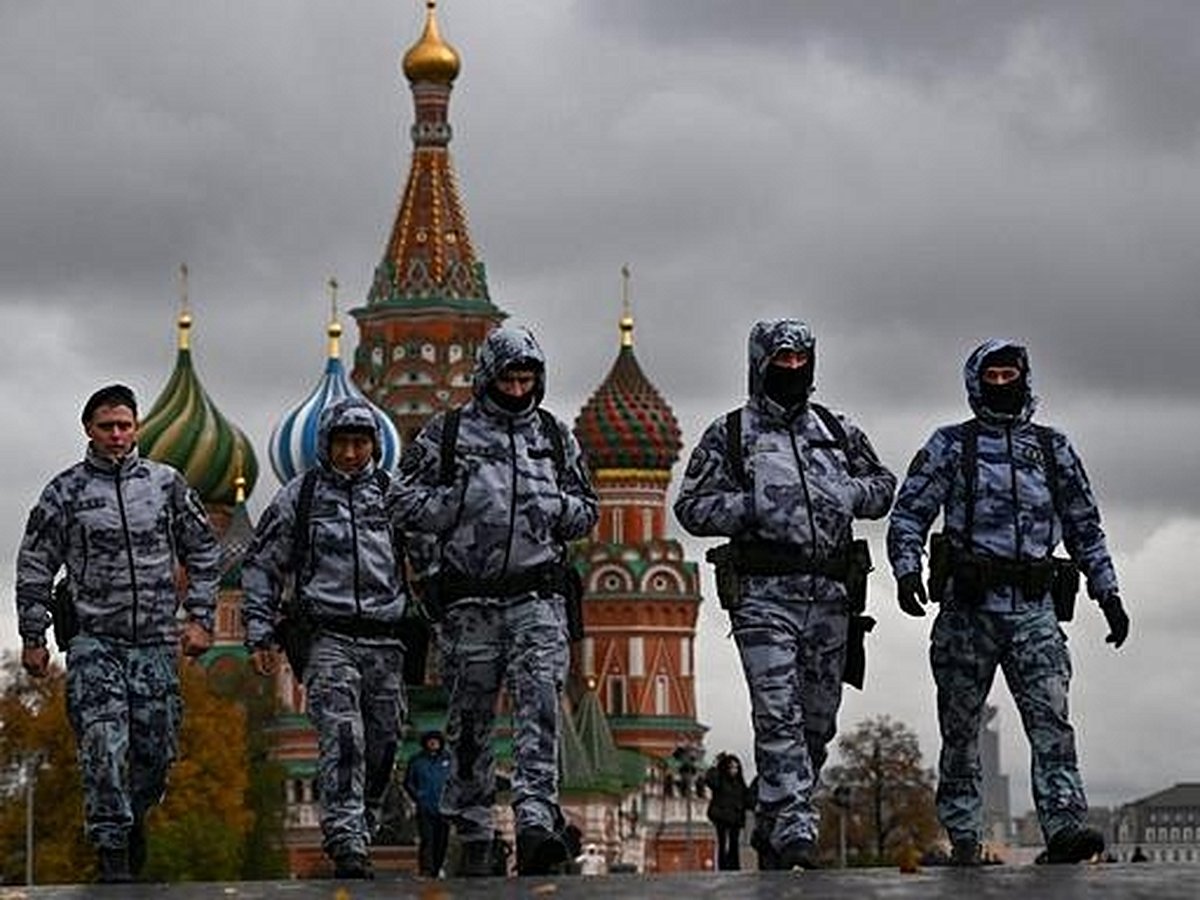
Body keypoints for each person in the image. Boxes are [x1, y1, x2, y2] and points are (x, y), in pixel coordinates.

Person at [887, 338, 1128, 867]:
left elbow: (1085, 527)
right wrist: (906, 571)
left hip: (1034, 610)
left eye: (1009, 375)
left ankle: (1064, 827)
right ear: (976, 383)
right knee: (960, 729)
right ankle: (965, 837)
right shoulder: (951, 445)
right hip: (968, 610)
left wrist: (1108, 591)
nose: (1001, 384)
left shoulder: (1053, 448)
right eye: (991, 376)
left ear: (1024, 377)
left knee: (1052, 722)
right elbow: (909, 514)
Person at [674, 319, 896, 870]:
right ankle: (797, 827)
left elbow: (883, 486)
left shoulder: (837, 430)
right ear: (761, 365)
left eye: (801, 360)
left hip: (831, 596)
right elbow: (691, 507)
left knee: (817, 723)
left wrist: (848, 493)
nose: (792, 369)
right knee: (778, 713)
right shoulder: (730, 434)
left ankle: (774, 822)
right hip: (764, 598)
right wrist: (752, 506)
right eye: (782, 361)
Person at [392, 325, 599, 877]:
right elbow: (401, 502)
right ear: (488, 377)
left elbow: (587, 507)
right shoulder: (448, 434)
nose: (517, 389)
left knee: (540, 708)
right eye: (508, 379)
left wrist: (556, 508)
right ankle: (475, 829)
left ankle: (535, 822)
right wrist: (453, 509)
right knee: (470, 721)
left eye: (526, 379)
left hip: (538, 598)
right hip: (471, 603)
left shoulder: (554, 436)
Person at [15, 384, 219, 883]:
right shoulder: (65, 492)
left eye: (124, 425)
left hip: (154, 642)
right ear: (89, 429)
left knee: (155, 754)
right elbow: (35, 565)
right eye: (107, 426)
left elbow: (203, 549)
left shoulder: (165, 485)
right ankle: (111, 852)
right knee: (103, 743)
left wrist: (200, 618)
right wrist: (34, 636)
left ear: (136, 428)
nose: (116, 435)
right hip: (95, 642)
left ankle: (133, 821)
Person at [242, 397, 409, 880]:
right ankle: (345, 838)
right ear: (326, 445)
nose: (351, 453)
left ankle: (364, 818)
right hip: (327, 636)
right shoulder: (301, 497)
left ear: (374, 445)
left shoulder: (393, 495)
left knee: (384, 741)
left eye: (360, 443)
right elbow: (262, 564)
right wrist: (259, 632)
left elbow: (430, 556)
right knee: (343, 735)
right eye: (342, 443)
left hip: (385, 639)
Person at [403, 730, 452, 877]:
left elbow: (454, 781)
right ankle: (426, 869)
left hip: (444, 808)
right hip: (425, 808)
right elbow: (408, 782)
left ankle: (437, 867)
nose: (433, 743)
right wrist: (418, 797)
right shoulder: (416, 760)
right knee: (427, 839)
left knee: (442, 841)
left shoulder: (449, 760)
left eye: (436, 740)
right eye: (430, 740)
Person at [703, 753, 752, 870]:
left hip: (735, 818)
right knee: (723, 843)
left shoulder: (739, 783)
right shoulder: (720, 780)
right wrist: (715, 765)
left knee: (734, 843)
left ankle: (734, 866)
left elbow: (747, 798)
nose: (734, 770)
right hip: (722, 817)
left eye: (736, 768)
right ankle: (723, 866)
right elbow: (710, 780)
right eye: (731, 767)